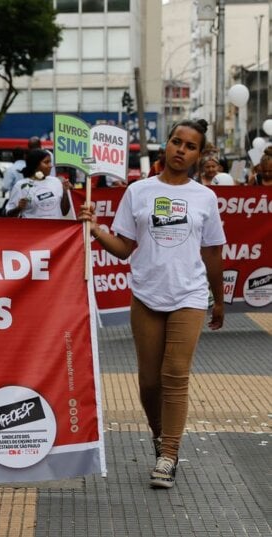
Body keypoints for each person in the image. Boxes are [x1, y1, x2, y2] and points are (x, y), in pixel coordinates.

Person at [78, 118, 225, 489]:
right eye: (177, 141)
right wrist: (95, 230)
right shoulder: (138, 192)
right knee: (148, 382)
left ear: (198, 154)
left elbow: (212, 252)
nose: (181, 150)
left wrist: (218, 299)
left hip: (189, 296)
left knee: (175, 375)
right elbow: (125, 249)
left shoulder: (205, 197)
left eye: (190, 146)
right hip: (146, 294)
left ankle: (169, 455)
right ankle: (160, 436)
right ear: (167, 145)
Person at [3, 149, 71, 219]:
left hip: (57, 229)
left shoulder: (56, 182)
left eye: (50, 162)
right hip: (33, 229)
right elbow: (8, 214)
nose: (50, 166)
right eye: (46, 162)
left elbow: (64, 212)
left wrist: (65, 192)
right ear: (35, 165)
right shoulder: (20, 186)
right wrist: (18, 208)